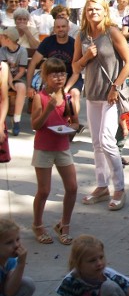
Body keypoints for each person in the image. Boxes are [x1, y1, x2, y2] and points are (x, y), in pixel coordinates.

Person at [72, 0, 129, 211]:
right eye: (90, 9)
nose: (93, 12)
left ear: (105, 11)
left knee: (107, 141)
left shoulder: (112, 32)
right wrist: (86, 56)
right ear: (85, 12)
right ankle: (101, 186)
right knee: (96, 143)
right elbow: (75, 68)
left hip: (110, 96)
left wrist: (115, 87)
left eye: (97, 9)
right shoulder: (81, 36)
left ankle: (119, 188)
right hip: (92, 94)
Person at [29, 58, 79, 245]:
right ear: (45, 76)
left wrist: (71, 130)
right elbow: (36, 125)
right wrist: (48, 108)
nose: (59, 78)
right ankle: (37, 225)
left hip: (62, 147)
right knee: (44, 190)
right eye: (54, 74)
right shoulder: (39, 97)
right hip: (44, 147)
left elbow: (74, 121)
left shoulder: (67, 98)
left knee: (72, 187)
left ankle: (64, 225)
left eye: (62, 74)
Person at [0, 219, 41, 296]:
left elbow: (9, 291)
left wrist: (21, 264)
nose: (17, 245)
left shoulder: (8, 260)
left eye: (17, 239)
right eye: (9, 242)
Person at [0, 27, 28, 136]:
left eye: (2, 37)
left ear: (8, 39)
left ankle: (16, 120)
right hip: (5, 76)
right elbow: (5, 68)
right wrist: (9, 82)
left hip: (18, 77)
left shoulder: (22, 51)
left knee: (21, 88)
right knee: (4, 90)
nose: (0, 39)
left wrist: (13, 81)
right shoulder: (2, 50)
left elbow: (21, 71)